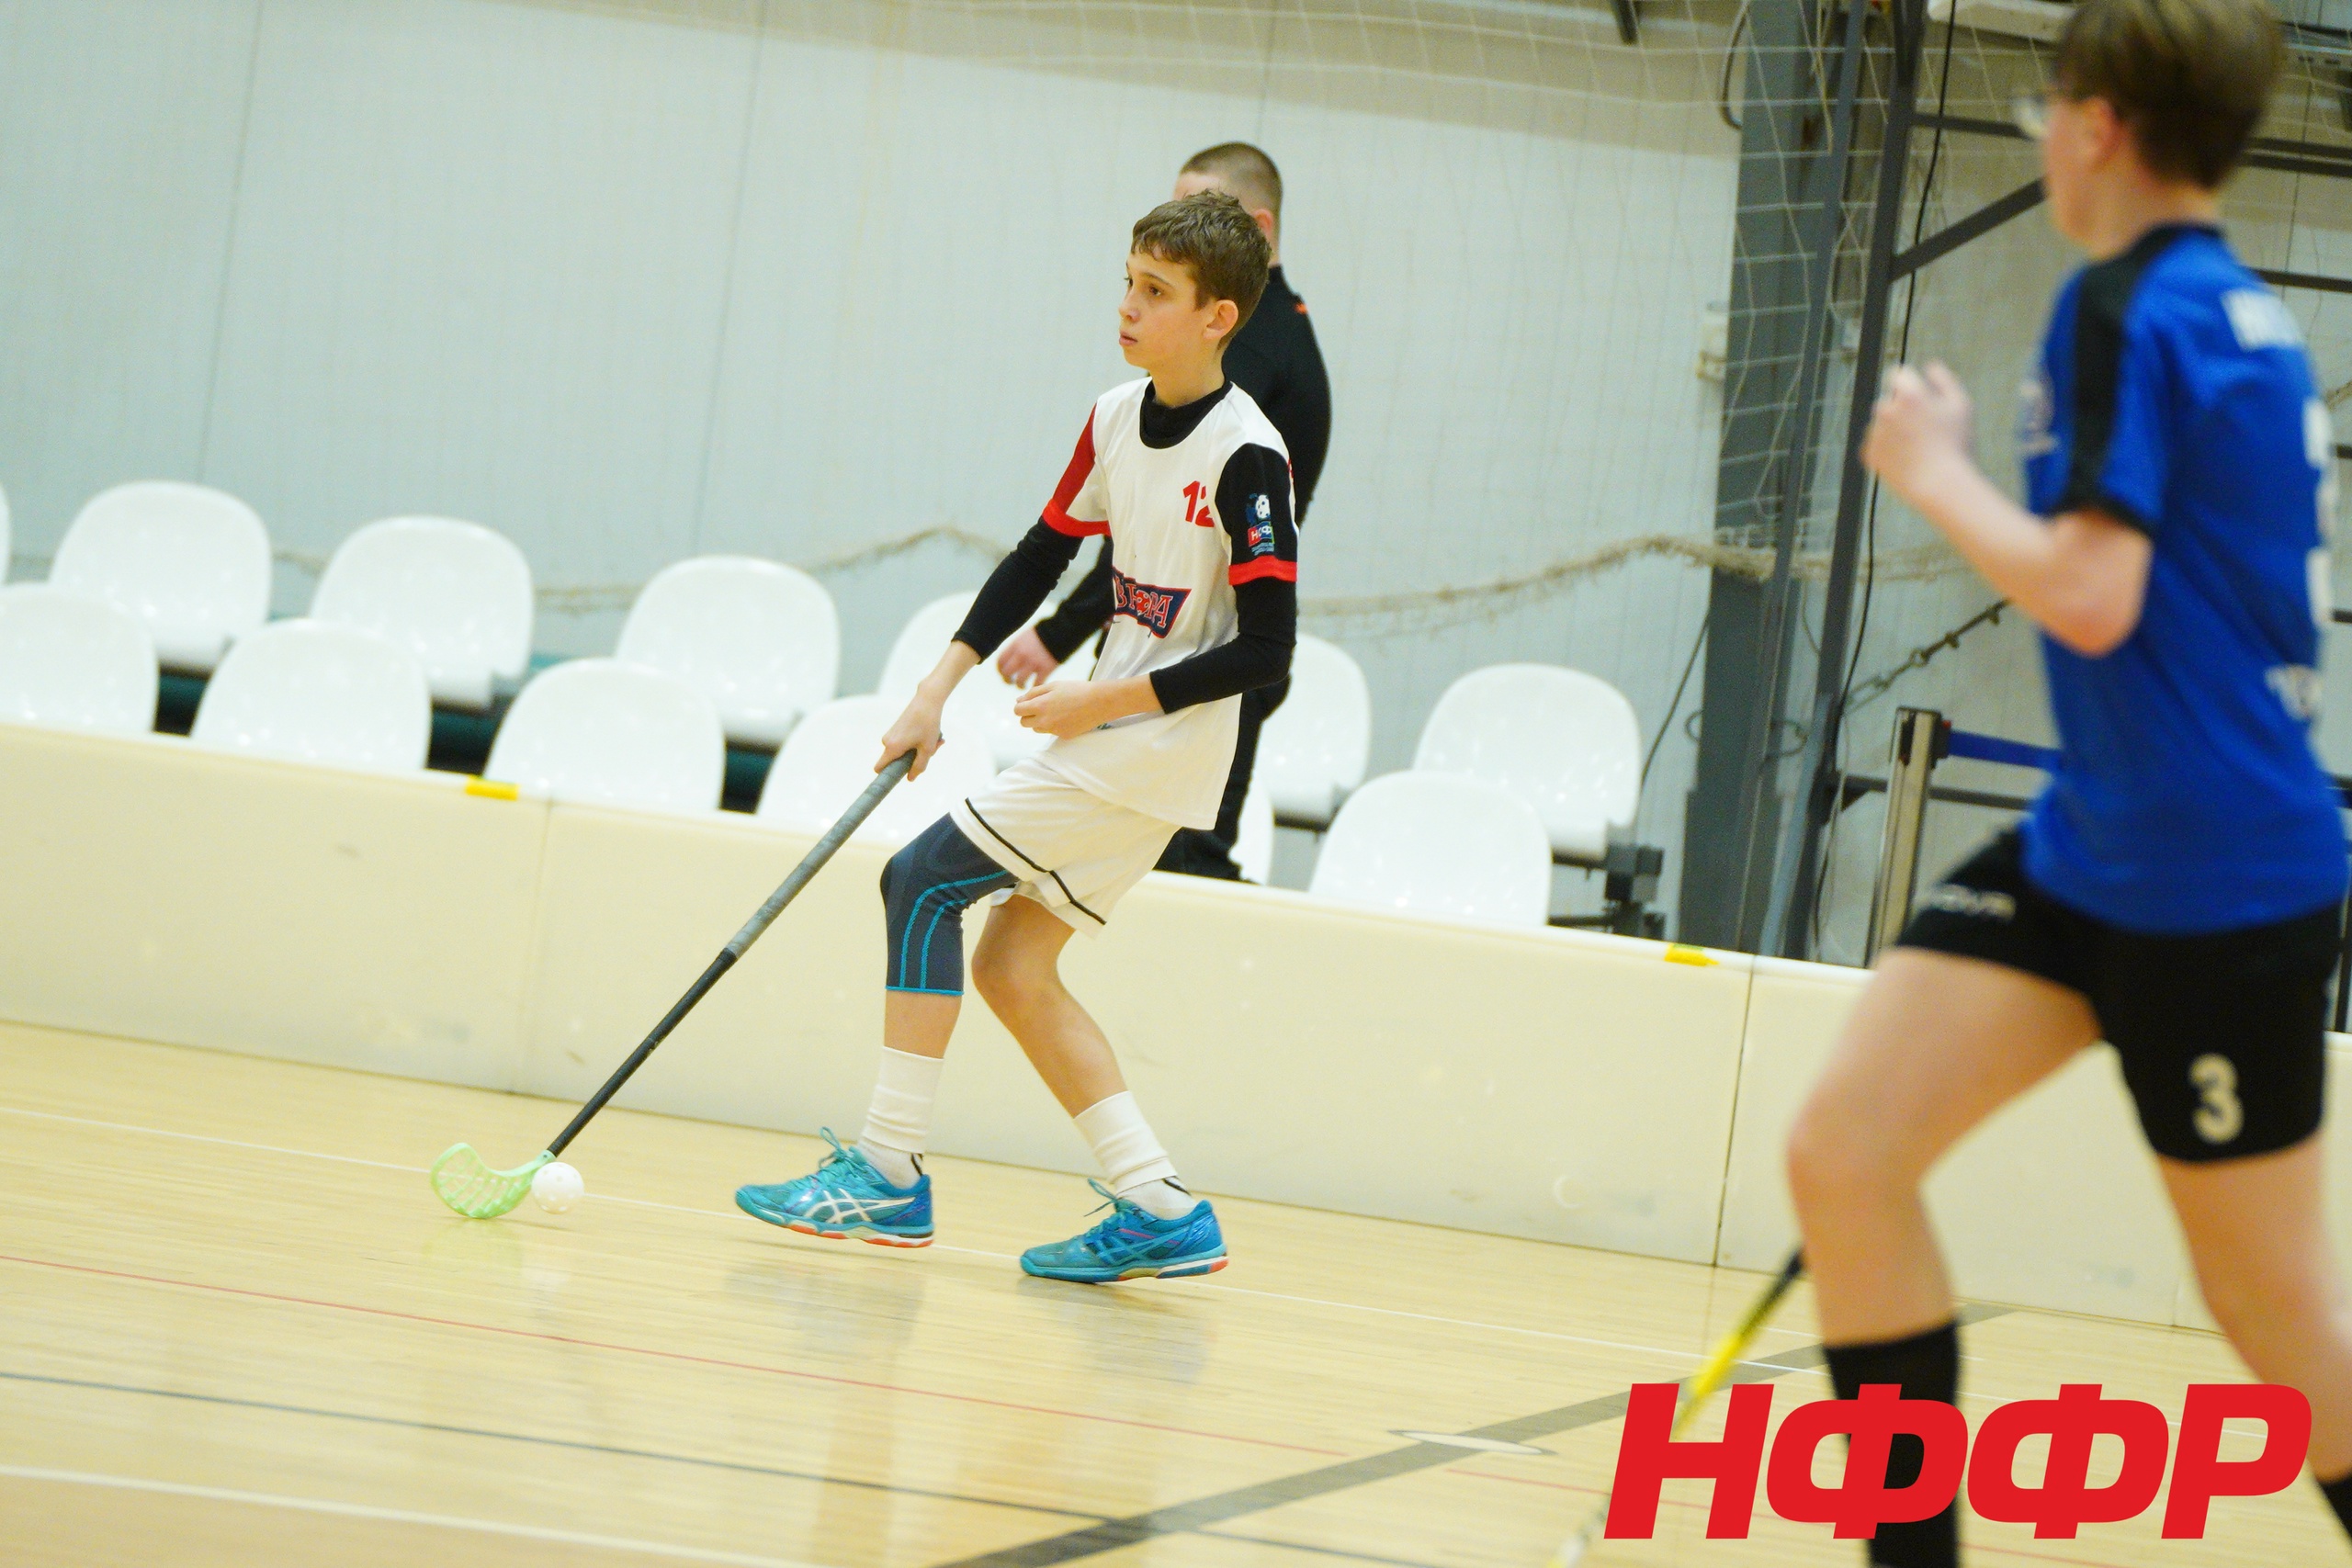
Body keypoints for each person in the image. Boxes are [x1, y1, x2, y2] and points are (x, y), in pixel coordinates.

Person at [1783, 0, 2352, 1561]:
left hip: (2214, 876)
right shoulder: (2236, 312)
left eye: (2050, 114)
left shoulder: (2126, 308)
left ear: (2099, 125)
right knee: (1847, 1151)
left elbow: (2096, 595)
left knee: (2273, 1307)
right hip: (2101, 837)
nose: (2047, 141)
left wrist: (1933, 467)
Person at [734, 191, 1297, 1283]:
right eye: (1127, 281)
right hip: (1118, 745)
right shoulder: (1113, 417)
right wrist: (933, 692)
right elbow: (1041, 556)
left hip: (1153, 748)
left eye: (1155, 292)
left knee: (919, 882)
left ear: (1217, 317)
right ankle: (1160, 1205)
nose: (1126, 306)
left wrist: (1101, 704)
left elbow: (1267, 652)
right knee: (1011, 964)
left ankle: (887, 1172)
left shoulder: (1247, 456)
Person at [997, 141, 1330, 880]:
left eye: (1204, 208)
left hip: (1209, 663)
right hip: (1161, 645)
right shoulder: (1200, 364)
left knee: (1181, 868)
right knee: (1079, 884)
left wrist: (1060, 631)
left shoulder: (1249, 359)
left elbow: (1169, 541)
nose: (1182, 226)